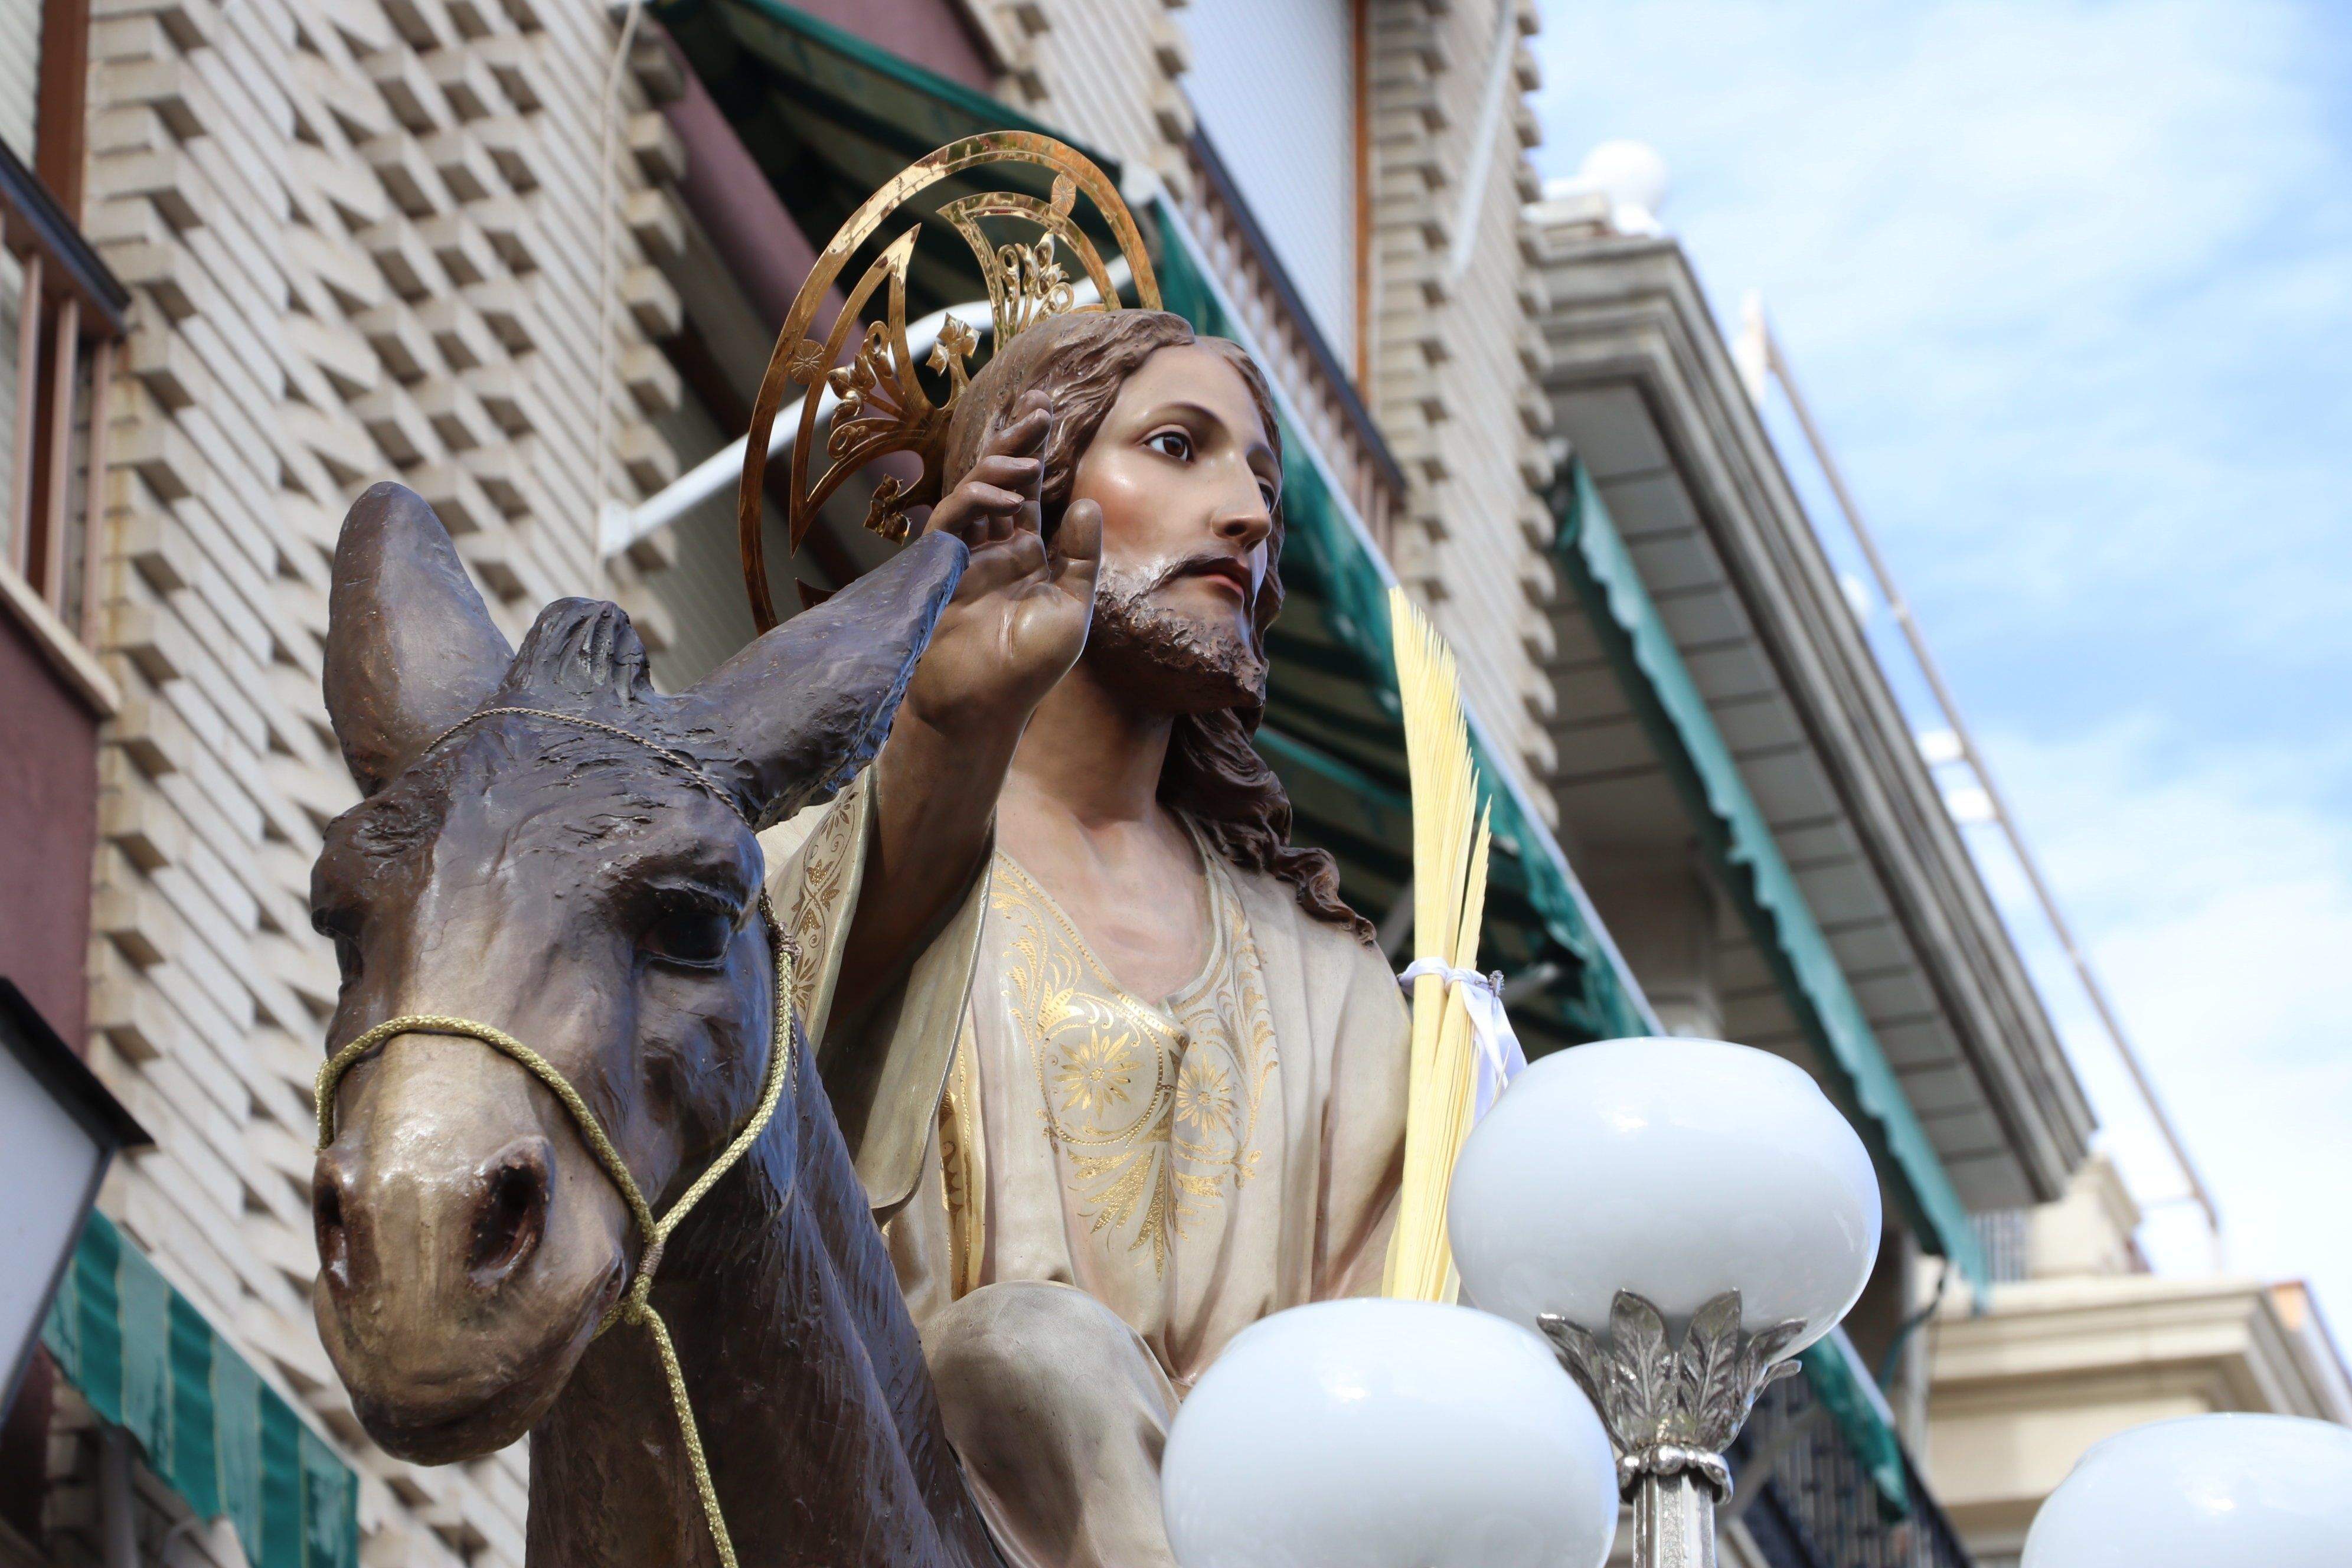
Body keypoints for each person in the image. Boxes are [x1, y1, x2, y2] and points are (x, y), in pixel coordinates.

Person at [763, 308, 1409, 1568]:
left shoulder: (1332, 978)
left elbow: (1385, 1373)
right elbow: (755, 1185)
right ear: (1029, 486)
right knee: (1032, 1351)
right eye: (1178, 446)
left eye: (1261, 480)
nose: (1247, 514)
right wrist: (947, 736)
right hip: (893, 1518)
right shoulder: (835, 869)